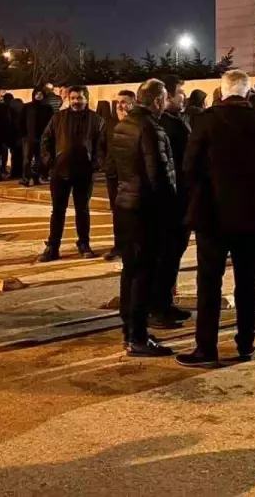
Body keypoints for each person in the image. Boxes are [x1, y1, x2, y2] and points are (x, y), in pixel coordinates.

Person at [178, 70, 255, 367]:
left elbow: (189, 167)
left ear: (222, 91)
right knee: (247, 281)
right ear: (247, 92)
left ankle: (206, 347)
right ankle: (245, 343)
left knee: (209, 283)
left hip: (212, 216)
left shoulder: (206, 121)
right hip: (252, 216)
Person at [106, 79, 177, 357]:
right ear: (158, 101)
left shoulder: (123, 125)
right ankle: (137, 337)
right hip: (146, 210)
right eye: (165, 99)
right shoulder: (150, 128)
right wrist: (170, 208)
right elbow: (159, 173)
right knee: (144, 274)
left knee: (131, 271)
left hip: (126, 204)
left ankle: (131, 330)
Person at [38, 85, 105, 261]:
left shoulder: (96, 120)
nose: (76, 101)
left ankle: (84, 244)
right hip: (60, 172)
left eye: (79, 98)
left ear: (86, 99)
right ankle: (53, 247)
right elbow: (45, 140)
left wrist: (96, 164)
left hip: (84, 172)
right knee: (57, 211)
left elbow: (101, 145)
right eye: (73, 98)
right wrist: (50, 162)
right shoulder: (58, 118)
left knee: (82, 210)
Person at [154, 76, 192, 324]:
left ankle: (165, 302)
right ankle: (158, 307)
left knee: (172, 255)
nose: (183, 97)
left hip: (180, 198)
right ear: (166, 97)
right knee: (165, 256)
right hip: (171, 201)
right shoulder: (164, 125)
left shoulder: (176, 120)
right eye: (179, 93)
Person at [103, 91, 135, 263]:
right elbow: (102, 144)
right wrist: (104, 163)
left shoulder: (138, 124)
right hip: (113, 174)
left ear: (133, 103)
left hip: (131, 175)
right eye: (118, 103)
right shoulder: (110, 123)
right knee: (116, 211)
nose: (120, 106)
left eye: (124, 102)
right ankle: (119, 246)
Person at [20, 87, 53, 187]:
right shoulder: (27, 107)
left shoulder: (47, 108)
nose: (39, 96)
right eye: (37, 94)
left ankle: (37, 177)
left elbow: (51, 122)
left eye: (41, 94)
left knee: (40, 159)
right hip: (29, 137)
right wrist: (24, 134)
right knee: (27, 159)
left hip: (42, 137)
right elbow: (21, 121)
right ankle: (26, 177)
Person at [3, 93, 24, 180]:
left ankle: (15, 173)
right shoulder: (20, 105)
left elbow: (10, 123)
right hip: (22, 134)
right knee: (20, 154)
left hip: (14, 134)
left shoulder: (10, 108)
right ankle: (20, 172)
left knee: (15, 154)